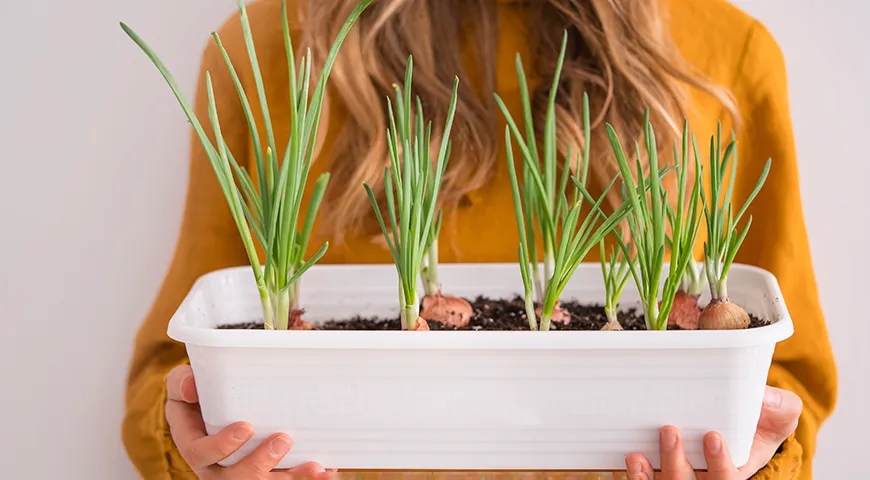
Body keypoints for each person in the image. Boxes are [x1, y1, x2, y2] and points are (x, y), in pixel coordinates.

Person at [121, 0, 837, 478]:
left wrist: (754, 453)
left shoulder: (724, 58)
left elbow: (787, 373)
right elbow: (178, 364)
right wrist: (198, 448)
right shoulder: (273, 47)